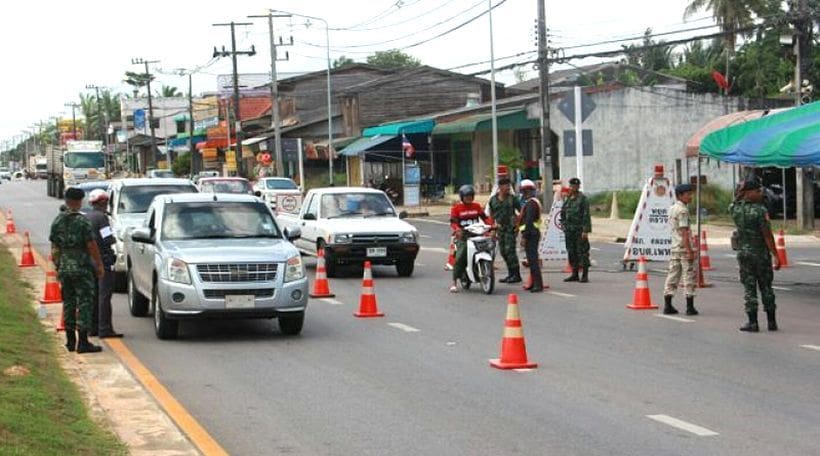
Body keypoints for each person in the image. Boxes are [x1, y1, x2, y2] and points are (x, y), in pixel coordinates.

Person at [49, 187, 105, 353]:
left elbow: (55, 246)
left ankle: (70, 341)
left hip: (65, 266)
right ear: (79, 201)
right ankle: (83, 341)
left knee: (69, 302)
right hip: (81, 266)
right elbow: (91, 244)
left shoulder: (57, 220)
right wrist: (99, 264)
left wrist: (58, 264)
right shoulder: (82, 221)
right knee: (85, 302)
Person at [730, 179, 781, 332]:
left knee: (749, 288)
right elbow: (767, 235)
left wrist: (740, 193)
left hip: (744, 254)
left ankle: (753, 322)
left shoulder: (735, 209)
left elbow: (734, 202)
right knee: (766, 287)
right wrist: (776, 255)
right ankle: (771, 321)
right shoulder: (760, 211)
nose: (760, 194)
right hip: (761, 255)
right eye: (757, 191)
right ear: (748, 193)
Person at [85, 189, 123, 338]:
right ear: (103, 203)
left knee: (93, 295)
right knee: (104, 296)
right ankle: (105, 328)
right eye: (106, 202)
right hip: (103, 261)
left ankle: (92, 327)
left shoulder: (87, 217)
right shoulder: (102, 218)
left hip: (89, 261)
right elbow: (107, 239)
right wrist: (113, 239)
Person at [449, 185, 493, 293]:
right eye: (466, 196)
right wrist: (458, 229)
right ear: (462, 197)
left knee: (489, 247)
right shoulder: (456, 208)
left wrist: (492, 226)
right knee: (460, 257)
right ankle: (454, 282)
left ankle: (484, 269)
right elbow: (453, 222)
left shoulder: (477, 206)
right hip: (463, 237)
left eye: (470, 196)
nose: (469, 198)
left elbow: (485, 218)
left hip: (477, 235)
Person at [662, 184, 698, 315]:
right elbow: (684, 231)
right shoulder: (683, 211)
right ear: (680, 195)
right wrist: (689, 250)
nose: (691, 196)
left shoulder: (672, 208)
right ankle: (690, 306)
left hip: (675, 247)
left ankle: (668, 304)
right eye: (688, 194)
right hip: (683, 247)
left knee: (673, 275)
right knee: (688, 276)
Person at [486, 177, 522, 283]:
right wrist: (492, 229)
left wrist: (518, 225)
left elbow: (521, 212)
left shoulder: (512, 199)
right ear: (500, 187)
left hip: (511, 229)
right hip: (500, 229)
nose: (508, 188)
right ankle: (510, 274)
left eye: (509, 186)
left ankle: (516, 274)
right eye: (506, 186)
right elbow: (491, 215)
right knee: (503, 252)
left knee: (510, 251)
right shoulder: (493, 200)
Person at [560, 177, 592, 283]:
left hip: (579, 230)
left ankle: (585, 275)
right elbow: (563, 212)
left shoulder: (583, 199)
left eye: (575, 186)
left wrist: (585, 230)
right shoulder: (568, 198)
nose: (573, 187)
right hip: (569, 230)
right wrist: (563, 225)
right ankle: (574, 274)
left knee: (582, 252)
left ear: (578, 186)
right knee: (571, 252)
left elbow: (586, 215)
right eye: (571, 186)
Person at [517, 179, 543, 292]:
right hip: (532, 233)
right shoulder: (531, 202)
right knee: (531, 260)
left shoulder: (531, 204)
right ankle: (535, 283)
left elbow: (528, 221)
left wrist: (524, 237)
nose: (523, 194)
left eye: (524, 192)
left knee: (533, 260)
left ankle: (538, 284)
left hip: (531, 234)